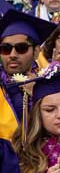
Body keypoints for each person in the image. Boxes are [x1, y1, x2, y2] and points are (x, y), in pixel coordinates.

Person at [0, 10, 56, 141]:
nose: (12, 55)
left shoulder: (50, 83)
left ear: (36, 52)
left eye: (21, 48)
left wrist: (38, 96)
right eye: (5, 48)